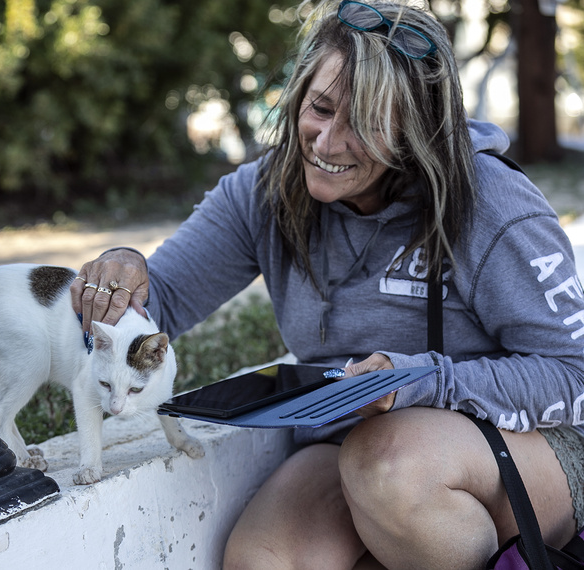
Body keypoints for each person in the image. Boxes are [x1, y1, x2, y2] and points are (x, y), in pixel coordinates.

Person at [70, 0, 584, 567]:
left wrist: (417, 381)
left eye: (364, 126)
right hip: (353, 445)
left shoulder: (489, 202)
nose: (326, 142)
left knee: (388, 467)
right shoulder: (264, 193)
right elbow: (160, 300)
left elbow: (572, 371)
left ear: (418, 131)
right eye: (320, 107)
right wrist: (120, 276)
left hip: (521, 446)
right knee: (263, 559)